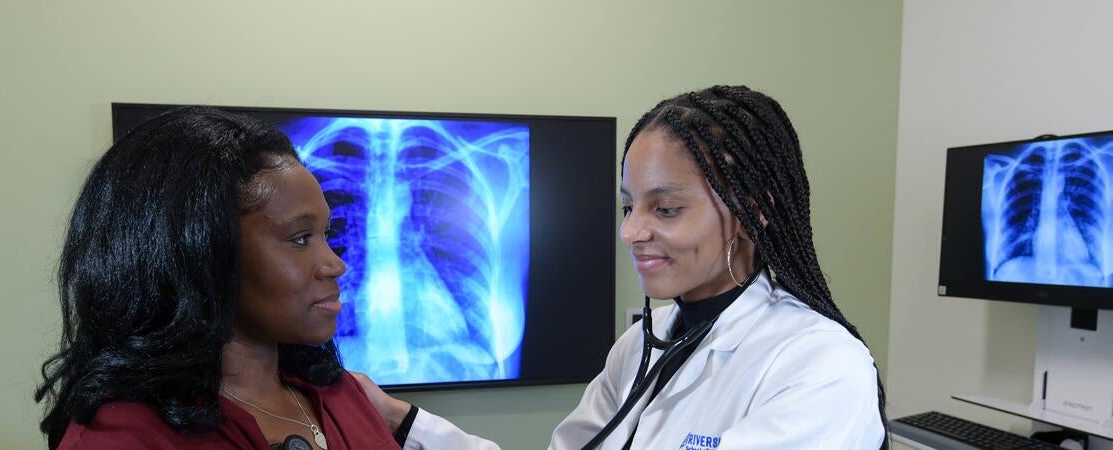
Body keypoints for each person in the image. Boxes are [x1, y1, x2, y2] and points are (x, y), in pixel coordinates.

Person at [356, 85, 887, 449]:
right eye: (628, 206)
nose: (630, 232)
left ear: (752, 208)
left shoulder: (820, 365)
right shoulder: (643, 344)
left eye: (667, 208)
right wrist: (402, 422)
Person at [35, 106, 409, 449]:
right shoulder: (125, 436)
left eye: (326, 234)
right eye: (299, 239)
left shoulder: (341, 394)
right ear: (195, 251)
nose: (335, 265)